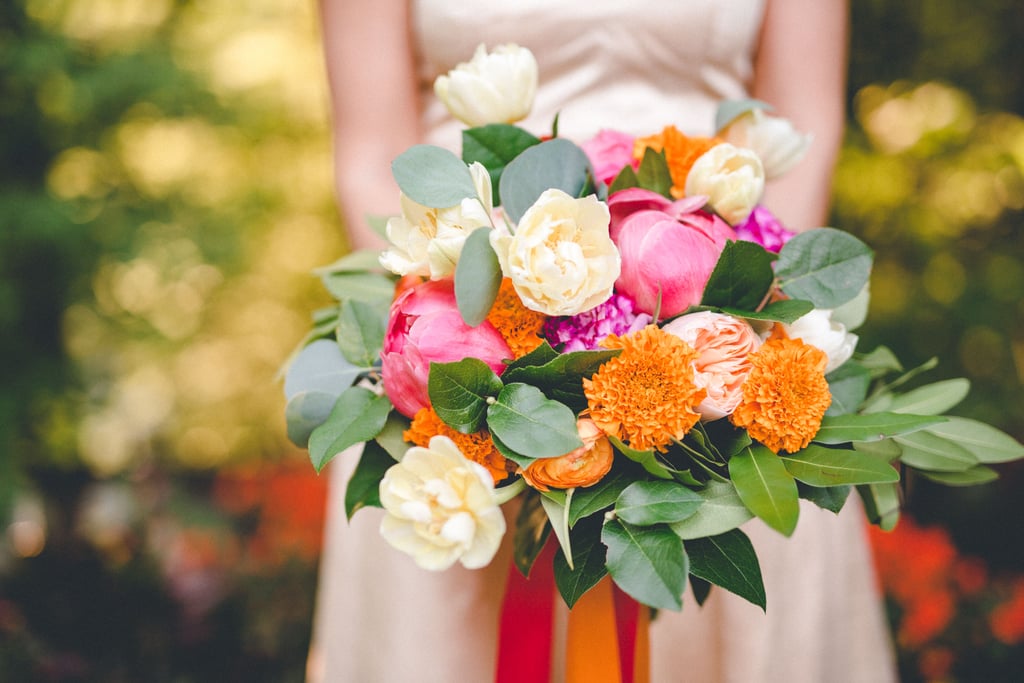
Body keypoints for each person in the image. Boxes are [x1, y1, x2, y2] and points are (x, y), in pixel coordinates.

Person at [308, 1, 897, 681]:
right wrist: (472, 356)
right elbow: (368, 154)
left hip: (729, 359)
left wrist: (736, 327)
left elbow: (804, 128)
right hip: (459, 353)